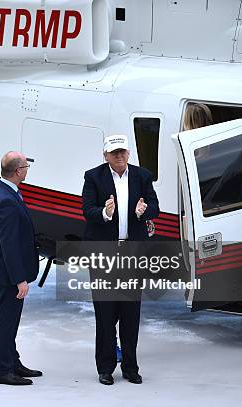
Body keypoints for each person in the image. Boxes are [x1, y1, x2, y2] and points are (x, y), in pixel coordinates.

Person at [81, 134, 159, 385]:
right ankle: (105, 368)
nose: (119, 156)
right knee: (105, 314)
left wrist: (144, 211)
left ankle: (130, 367)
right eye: (114, 152)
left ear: (128, 154)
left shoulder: (142, 176)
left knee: (130, 313)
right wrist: (105, 212)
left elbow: (156, 206)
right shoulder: (93, 177)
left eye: (123, 151)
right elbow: (87, 210)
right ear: (105, 156)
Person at [0, 151, 41, 386]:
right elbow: (9, 244)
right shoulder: (6, 200)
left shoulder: (0, 191)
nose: (27, 169)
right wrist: (20, 279)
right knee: (5, 322)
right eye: (26, 166)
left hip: (6, 271)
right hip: (9, 274)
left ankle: (12, 361)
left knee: (9, 321)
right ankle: (2, 370)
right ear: (18, 172)